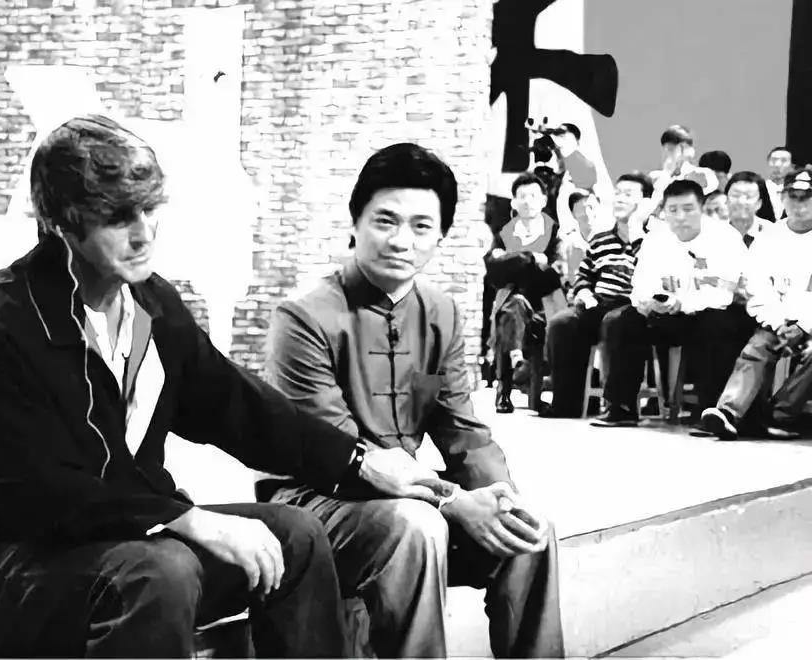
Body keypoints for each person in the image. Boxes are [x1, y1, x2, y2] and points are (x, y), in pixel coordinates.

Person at [0, 115, 446, 658]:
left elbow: (239, 407)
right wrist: (187, 519)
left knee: (297, 535)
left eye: (149, 209)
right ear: (60, 223)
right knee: (161, 572)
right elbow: (40, 487)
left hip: (122, 543)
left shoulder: (151, 304)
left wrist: (359, 461)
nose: (144, 233)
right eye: (117, 217)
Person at [262, 142, 563, 659]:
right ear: (355, 222)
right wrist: (452, 501)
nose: (401, 240)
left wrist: (499, 499)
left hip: (411, 498)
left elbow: (464, 433)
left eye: (422, 226)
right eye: (385, 221)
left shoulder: (440, 313)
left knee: (528, 529)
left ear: (440, 236)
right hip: (316, 502)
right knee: (416, 527)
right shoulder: (303, 318)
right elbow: (338, 448)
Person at [593, 179, 750, 427]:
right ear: (664, 211)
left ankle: (708, 410)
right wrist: (649, 302)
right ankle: (621, 407)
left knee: (718, 324)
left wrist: (682, 304)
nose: (680, 217)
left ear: (702, 208)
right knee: (624, 321)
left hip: (709, 313)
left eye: (688, 209)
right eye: (673, 210)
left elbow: (724, 293)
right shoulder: (656, 239)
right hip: (667, 314)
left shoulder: (725, 237)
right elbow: (641, 285)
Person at [700, 167, 812, 440]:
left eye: (807, 197)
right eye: (793, 197)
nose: (799, 204)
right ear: (782, 198)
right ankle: (728, 413)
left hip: (809, 324)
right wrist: (780, 323)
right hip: (778, 322)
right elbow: (758, 289)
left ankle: (778, 416)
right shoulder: (768, 238)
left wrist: (804, 326)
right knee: (757, 348)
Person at [541, 172, 653, 418]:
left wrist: (636, 229)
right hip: (598, 303)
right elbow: (584, 275)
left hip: (633, 306)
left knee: (617, 322)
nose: (620, 199)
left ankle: (620, 406)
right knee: (562, 323)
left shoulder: (653, 240)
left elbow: (650, 277)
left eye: (628, 194)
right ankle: (566, 404)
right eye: (618, 193)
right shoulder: (600, 239)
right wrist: (583, 291)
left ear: (645, 203)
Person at [485, 172, 565, 413]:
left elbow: (556, 272)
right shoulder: (503, 235)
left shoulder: (555, 233)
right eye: (522, 196)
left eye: (533, 196)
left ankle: (510, 382)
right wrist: (530, 258)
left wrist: (513, 261)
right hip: (512, 301)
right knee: (512, 307)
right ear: (513, 202)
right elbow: (493, 273)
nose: (528, 201)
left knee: (511, 309)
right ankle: (518, 368)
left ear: (543, 200)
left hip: (545, 305)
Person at [648, 125, 720, 201]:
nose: (667, 155)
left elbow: (712, 190)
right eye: (665, 149)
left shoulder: (703, 174)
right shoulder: (655, 177)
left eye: (670, 149)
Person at [723, 171, 773, 247]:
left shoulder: (772, 231)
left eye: (749, 196)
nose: (741, 202)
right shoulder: (713, 231)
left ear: (759, 203)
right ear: (726, 199)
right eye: (736, 195)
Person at [765, 146, 793, 220]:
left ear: (792, 165)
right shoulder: (758, 189)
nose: (777, 164)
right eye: (774, 160)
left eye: (783, 161)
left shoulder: (796, 190)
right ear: (768, 163)